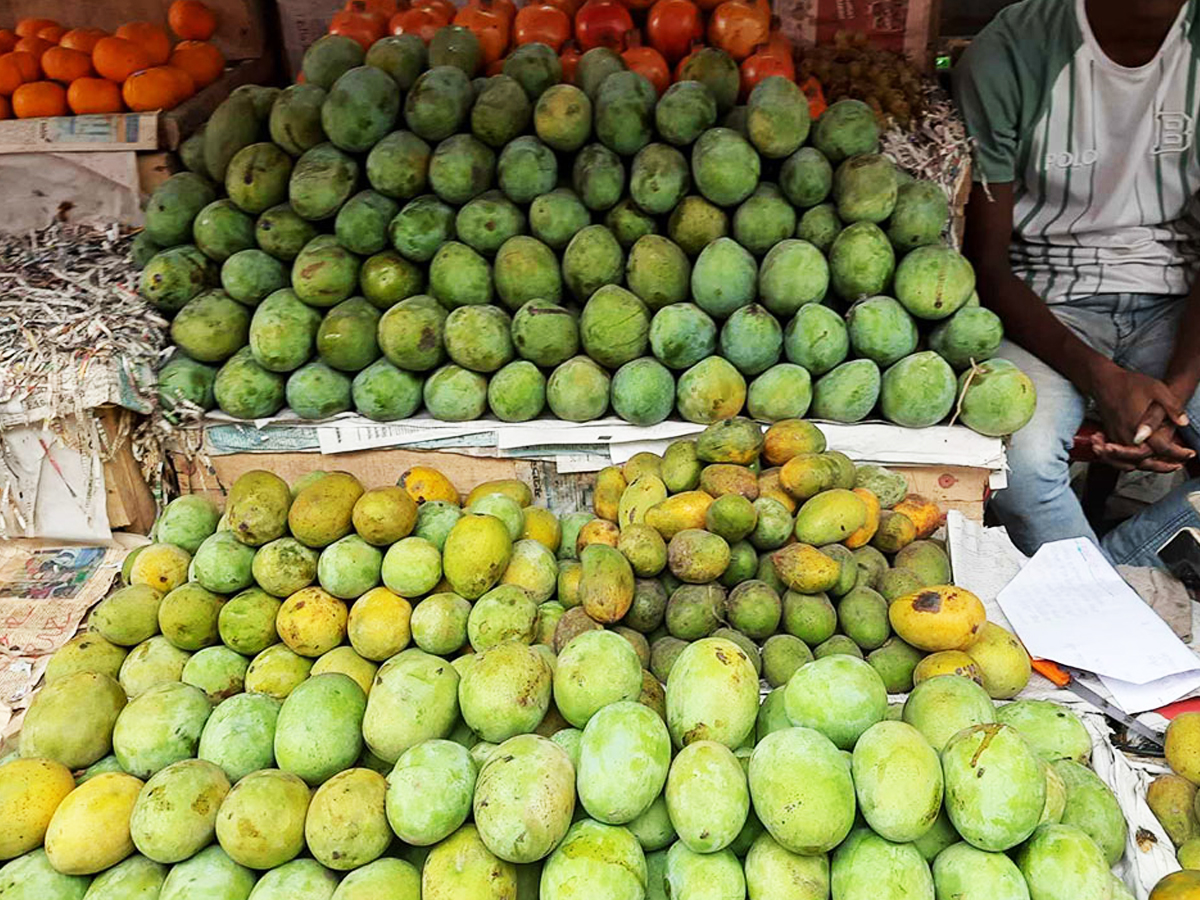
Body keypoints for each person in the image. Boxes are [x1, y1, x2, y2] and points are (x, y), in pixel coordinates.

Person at [952, 0, 1200, 566]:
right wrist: (1105, 381)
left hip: (1176, 304)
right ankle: (1111, 606)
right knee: (1020, 471)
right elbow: (987, 265)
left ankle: (1107, 585)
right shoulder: (1013, 51)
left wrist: (1177, 396)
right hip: (1044, 302)